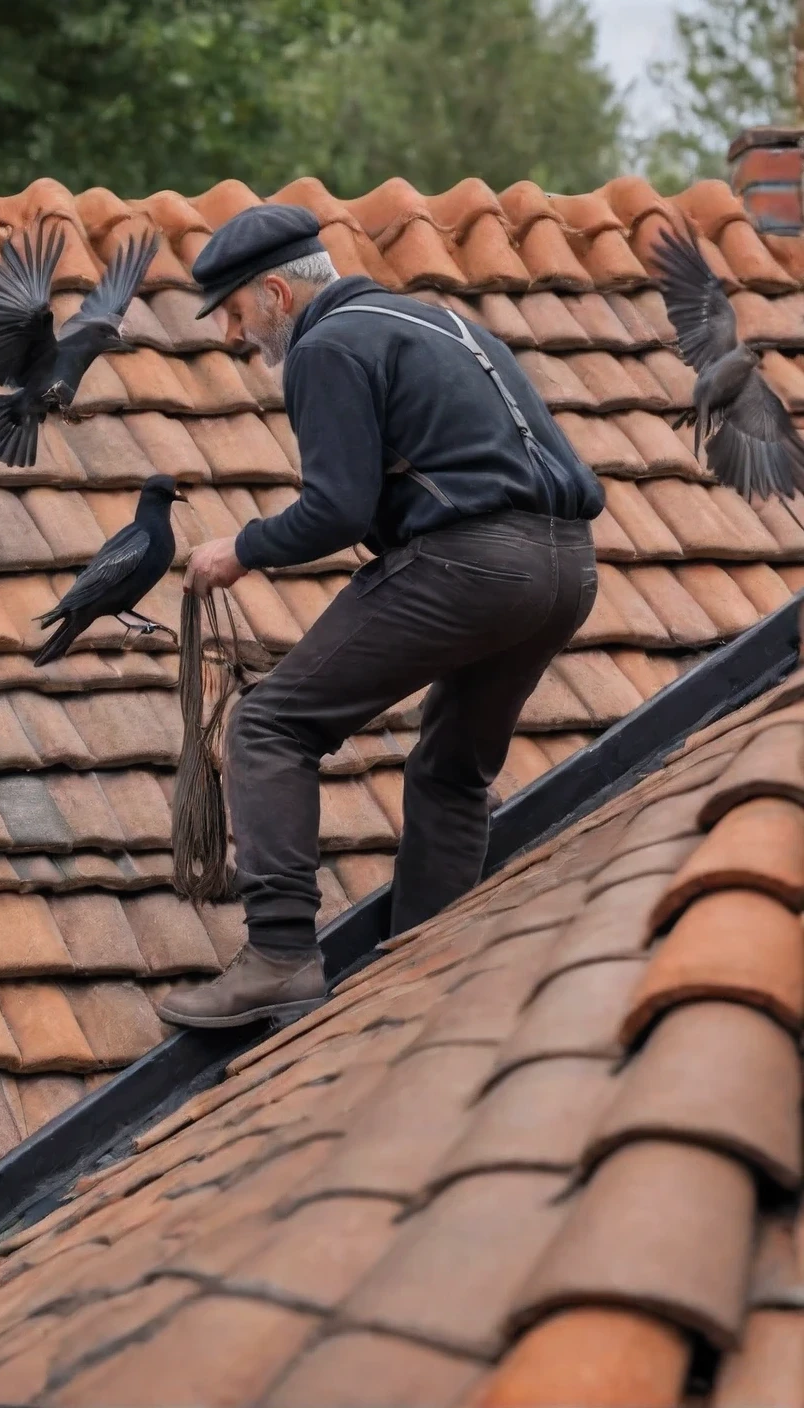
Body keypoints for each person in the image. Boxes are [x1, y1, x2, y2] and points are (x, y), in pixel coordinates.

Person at [156, 204, 604, 1031]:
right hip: (568, 569)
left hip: (472, 567)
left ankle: (281, 957)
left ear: (276, 295)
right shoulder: (440, 323)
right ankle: (427, 973)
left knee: (269, 726)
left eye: (232, 312)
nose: (230, 336)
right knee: (451, 769)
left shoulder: (326, 348)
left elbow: (335, 510)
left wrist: (241, 548)